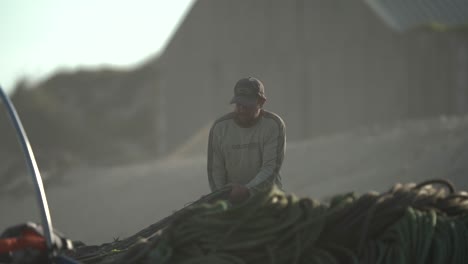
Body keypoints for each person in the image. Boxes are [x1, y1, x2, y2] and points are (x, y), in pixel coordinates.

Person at [207, 77, 286, 202]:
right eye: (238, 104)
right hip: (231, 199)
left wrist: (247, 190)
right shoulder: (219, 128)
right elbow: (216, 171)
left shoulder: (273, 125)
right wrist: (221, 196)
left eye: (247, 104)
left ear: (261, 102)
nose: (242, 109)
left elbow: (270, 168)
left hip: (268, 199)